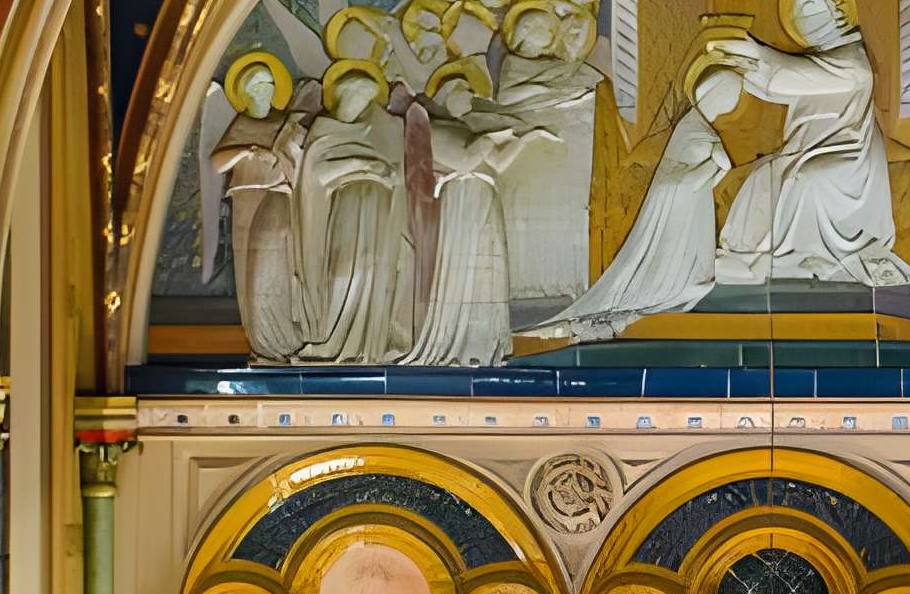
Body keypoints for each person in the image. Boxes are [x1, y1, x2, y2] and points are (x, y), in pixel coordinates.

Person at [714, 0, 910, 287]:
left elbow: (786, 78)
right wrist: (736, 66)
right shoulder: (818, 61)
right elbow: (776, 89)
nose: (803, 22)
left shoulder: (852, 62)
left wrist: (753, 53)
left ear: (837, 11)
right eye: (797, 16)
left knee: (809, 180)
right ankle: (743, 255)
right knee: (763, 176)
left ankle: (796, 256)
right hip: (807, 150)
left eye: (810, 10)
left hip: (848, 160)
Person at [555, 58, 741, 338]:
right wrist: (716, 165)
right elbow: (681, 179)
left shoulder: (698, 128)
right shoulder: (695, 131)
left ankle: (616, 318)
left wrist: (718, 166)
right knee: (675, 282)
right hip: (678, 206)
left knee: (691, 283)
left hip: (687, 209)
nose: (732, 103)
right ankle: (612, 317)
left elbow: (695, 178)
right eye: (731, 96)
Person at [405, 63, 558, 367]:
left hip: (485, 197)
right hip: (461, 200)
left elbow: (499, 163)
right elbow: (463, 161)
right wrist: (488, 140)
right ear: (445, 98)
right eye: (460, 93)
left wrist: (529, 138)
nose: (468, 99)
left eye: (469, 93)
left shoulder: (470, 130)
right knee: (463, 264)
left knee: (490, 267)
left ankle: (485, 341)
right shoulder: (433, 130)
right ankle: (454, 340)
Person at [292, 60, 417, 361]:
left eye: (367, 97)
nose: (362, 104)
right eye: (357, 96)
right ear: (345, 96)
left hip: (380, 207)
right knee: (346, 268)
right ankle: (335, 339)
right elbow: (316, 173)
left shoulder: (384, 128)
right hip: (346, 205)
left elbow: (401, 170)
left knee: (376, 270)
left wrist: (386, 173)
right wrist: (362, 165)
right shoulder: (325, 128)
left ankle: (370, 346)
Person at [206, 54, 307, 358]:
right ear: (247, 94)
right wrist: (248, 151)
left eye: (268, 85)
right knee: (250, 267)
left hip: (282, 197)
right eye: (258, 86)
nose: (264, 91)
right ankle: (262, 335)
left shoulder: (285, 123)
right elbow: (216, 163)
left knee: (284, 264)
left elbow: (301, 159)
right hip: (248, 198)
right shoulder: (243, 124)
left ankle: (287, 333)